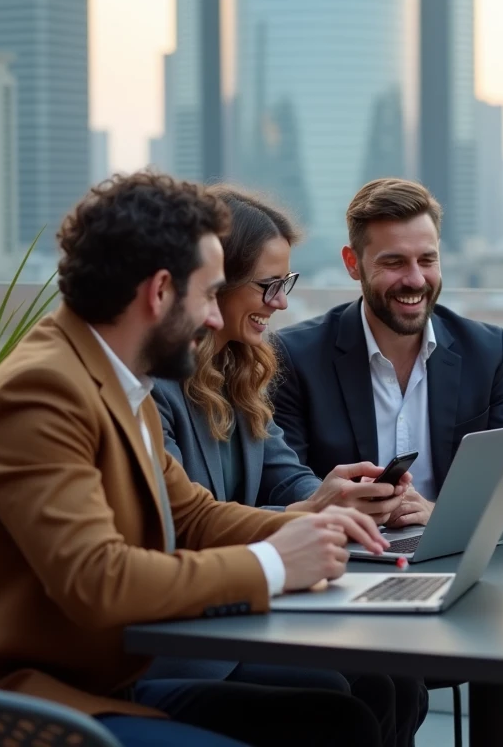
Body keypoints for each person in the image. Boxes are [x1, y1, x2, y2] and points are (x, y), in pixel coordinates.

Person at [0, 173, 392, 747]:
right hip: (4, 708)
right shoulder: (42, 391)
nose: (214, 318)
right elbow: (98, 580)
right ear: (160, 292)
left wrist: (313, 529)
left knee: (340, 720)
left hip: (97, 684)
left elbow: (193, 514)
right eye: (208, 295)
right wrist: (273, 564)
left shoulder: (121, 382)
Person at [270, 177, 503, 747]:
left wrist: (443, 512)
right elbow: (281, 478)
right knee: (383, 683)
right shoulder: (295, 356)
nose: (415, 279)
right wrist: (338, 502)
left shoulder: (485, 349)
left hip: (458, 572)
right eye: (393, 262)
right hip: (348, 579)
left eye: (427, 259)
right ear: (353, 263)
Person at [149, 185, 427, 747]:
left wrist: (335, 492)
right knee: (337, 696)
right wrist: (307, 514)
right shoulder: (155, 389)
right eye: (269, 285)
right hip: (193, 635)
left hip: (249, 611)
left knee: (397, 682)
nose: (280, 303)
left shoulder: (240, 367)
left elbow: (284, 473)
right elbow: (186, 525)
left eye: (286, 284)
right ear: (215, 284)